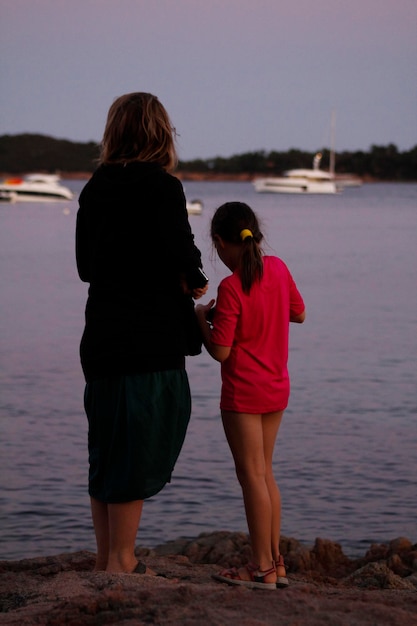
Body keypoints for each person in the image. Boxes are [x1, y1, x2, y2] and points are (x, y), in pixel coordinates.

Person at [76, 92, 208, 574]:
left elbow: (85, 267)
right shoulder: (162, 186)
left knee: (107, 451)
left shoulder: (94, 186)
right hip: (150, 341)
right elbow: (184, 258)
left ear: (114, 132)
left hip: (102, 338)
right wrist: (194, 282)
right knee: (139, 447)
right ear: (161, 133)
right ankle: (123, 561)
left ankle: (106, 557)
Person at [195, 202, 305, 590]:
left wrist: (200, 321)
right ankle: (276, 563)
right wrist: (266, 310)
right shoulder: (278, 268)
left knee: (251, 477)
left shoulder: (230, 287)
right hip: (277, 388)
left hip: (244, 393)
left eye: (218, 249)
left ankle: (261, 568)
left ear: (223, 243)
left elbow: (221, 351)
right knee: (266, 474)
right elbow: (299, 312)